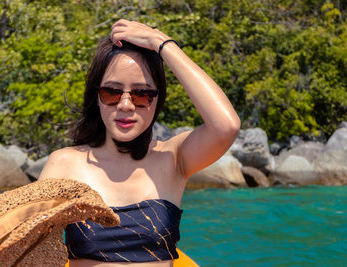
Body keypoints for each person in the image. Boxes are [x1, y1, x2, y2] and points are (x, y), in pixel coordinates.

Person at [39, 19, 240, 267]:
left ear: (157, 100)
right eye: (111, 92)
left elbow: (226, 126)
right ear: (97, 96)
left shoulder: (174, 158)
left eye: (142, 94)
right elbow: (25, 241)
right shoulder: (65, 163)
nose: (125, 105)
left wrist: (161, 43)